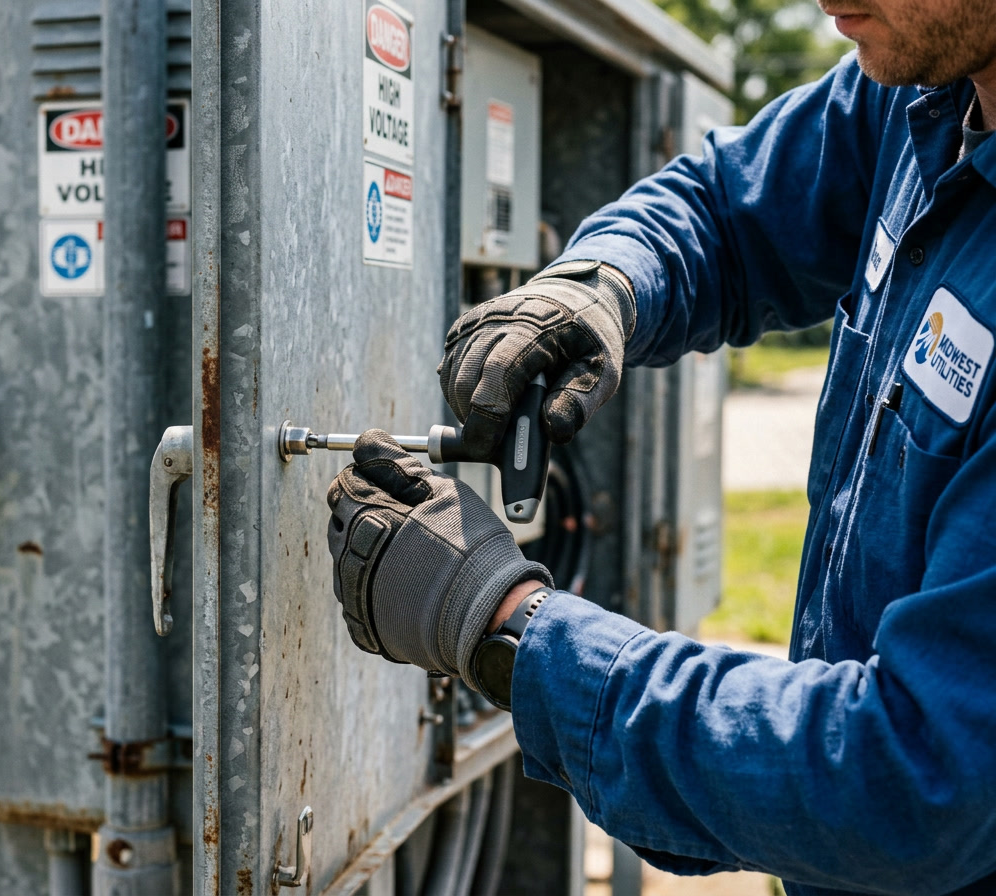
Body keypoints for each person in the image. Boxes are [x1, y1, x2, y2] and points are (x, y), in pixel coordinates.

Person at [325, 2, 996, 894]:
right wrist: (601, 287)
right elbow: (729, 210)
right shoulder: (926, 100)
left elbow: (911, 779)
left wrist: (504, 627)